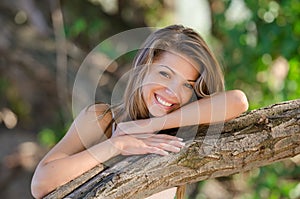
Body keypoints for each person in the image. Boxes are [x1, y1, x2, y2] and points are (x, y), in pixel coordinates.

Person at [31, 24, 249, 199]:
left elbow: (238, 101)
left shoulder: (182, 134)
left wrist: (150, 125)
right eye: (164, 74)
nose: (173, 91)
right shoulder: (102, 119)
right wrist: (117, 145)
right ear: (144, 68)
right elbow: (41, 184)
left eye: (188, 85)